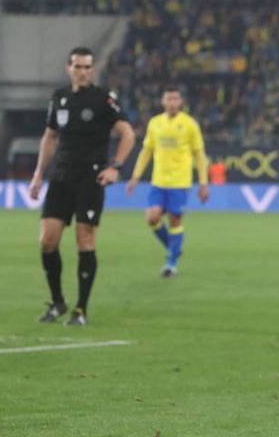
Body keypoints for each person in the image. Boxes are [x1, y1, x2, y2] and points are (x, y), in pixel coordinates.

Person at [28, 47, 134, 326]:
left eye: (88, 67)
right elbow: (50, 136)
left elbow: (127, 133)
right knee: (47, 241)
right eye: (78, 66)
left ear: (93, 70)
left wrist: (116, 167)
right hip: (61, 177)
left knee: (85, 240)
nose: (83, 71)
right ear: (69, 68)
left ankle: (81, 309)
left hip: (91, 177)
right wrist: (38, 174)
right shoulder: (59, 98)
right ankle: (58, 302)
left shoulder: (104, 99)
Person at [125, 86, 209, 278]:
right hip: (159, 181)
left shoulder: (190, 124)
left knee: (175, 220)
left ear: (181, 102)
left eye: (175, 99)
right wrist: (135, 176)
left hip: (180, 182)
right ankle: (173, 248)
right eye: (168, 99)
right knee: (152, 218)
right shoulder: (155, 123)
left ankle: (171, 264)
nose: (172, 103)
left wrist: (203, 183)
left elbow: (199, 154)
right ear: (163, 101)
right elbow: (146, 151)